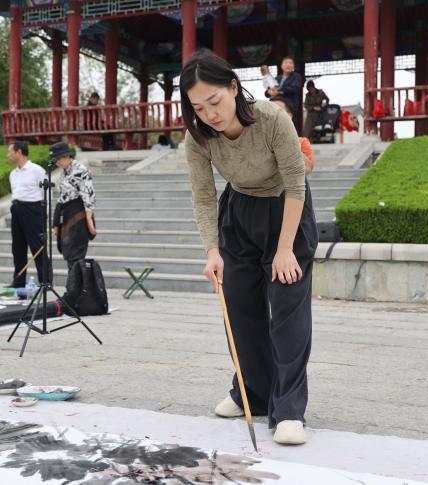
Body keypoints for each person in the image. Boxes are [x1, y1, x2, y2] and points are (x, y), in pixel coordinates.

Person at [181, 49, 317, 445]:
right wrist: (212, 250)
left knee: (287, 312)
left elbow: (296, 183)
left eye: (215, 101)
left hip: (286, 211)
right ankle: (251, 393)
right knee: (239, 308)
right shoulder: (198, 136)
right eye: (198, 107)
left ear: (234, 88)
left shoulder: (272, 118)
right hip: (238, 213)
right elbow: (203, 196)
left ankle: (289, 409)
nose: (209, 113)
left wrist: (285, 248)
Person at [51, 142, 96, 271]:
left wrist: (89, 218)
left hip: (79, 213)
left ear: (66, 156)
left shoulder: (80, 169)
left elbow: (88, 194)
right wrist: (55, 223)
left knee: (75, 253)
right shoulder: (64, 172)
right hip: (67, 213)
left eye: (57, 159)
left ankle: (76, 288)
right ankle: (74, 287)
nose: (56, 163)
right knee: (68, 250)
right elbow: (61, 198)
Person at [7, 141, 46, 288]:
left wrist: (44, 212)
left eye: (10, 152)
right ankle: (18, 282)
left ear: (19, 152)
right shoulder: (13, 174)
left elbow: (45, 193)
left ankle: (45, 281)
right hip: (16, 210)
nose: (8, 155)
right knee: (17, 248)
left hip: (33, 209)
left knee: (38, 246)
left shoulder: (37, 170)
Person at [270, 97, 314, 175]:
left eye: (278, 112)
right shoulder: (256, 142)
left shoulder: (301, 141)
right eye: (269, 111)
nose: (273, 115)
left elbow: (307, 169)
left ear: (289, 116)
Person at [264, 56, 304, 133]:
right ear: (281, 66)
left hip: (289, 103)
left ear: (293, 66)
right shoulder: (277, 78)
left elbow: (294, 88)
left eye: (290, 63)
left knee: (277, 107)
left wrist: (279, 91)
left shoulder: (296, 76)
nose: (288, 64)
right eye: (286, 62)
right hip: (274, 101)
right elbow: (268, 90)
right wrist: (269, 92)